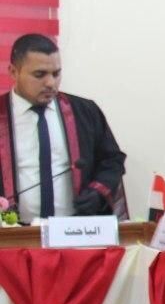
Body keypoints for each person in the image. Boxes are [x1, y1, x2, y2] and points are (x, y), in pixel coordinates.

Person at [0, 33, 127, 222]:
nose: (50, 83)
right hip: (13, 232)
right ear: (13, 72)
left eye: (56, 74)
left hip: (76, 228)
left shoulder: (84, 111)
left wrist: (98, 191)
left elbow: (112, 160)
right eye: (40, 74)